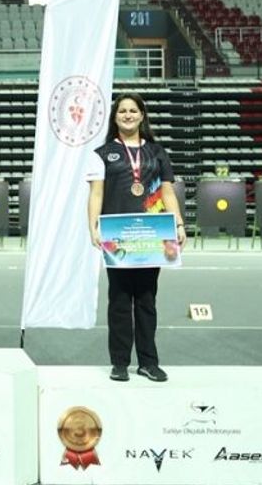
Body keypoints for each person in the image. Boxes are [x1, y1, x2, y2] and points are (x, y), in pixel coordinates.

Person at [85, 93, 186, 384]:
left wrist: (179, 224)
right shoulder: (101, 153)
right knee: (119, 300)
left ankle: (148, 363)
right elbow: (96, 194)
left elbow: (167, 192)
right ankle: (119, 363)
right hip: (117, 236)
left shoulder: (157, 152)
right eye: (122, 111)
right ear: (115, 117)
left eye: (133, 110)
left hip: (152, 235)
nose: (128, 115)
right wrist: (93, 226)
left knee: (146, 300)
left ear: (142, 115)